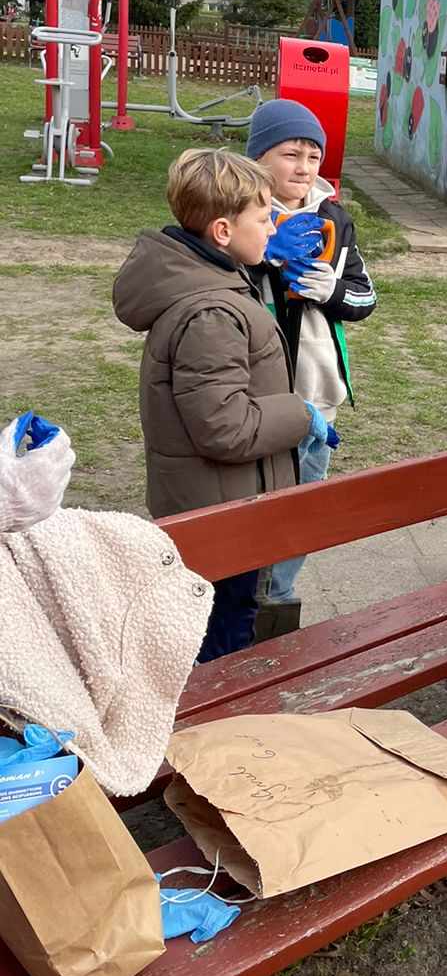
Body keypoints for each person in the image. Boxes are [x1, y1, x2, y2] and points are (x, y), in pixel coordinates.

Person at [113, 148, 331, 662]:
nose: (272, 227)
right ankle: (211, 731)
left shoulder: (216, 282)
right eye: (263, 217)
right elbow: (225, 428)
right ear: (222, 232)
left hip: (223, 505)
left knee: (226, 623)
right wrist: (300, 415)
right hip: (218, 517)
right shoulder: (211, 311)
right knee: (221, 637)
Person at [244, 98, 378, 634]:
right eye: (289, 154)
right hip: (259, 401)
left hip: (317, 394)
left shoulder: (334, 221)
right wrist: (266, 259)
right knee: (253, 509)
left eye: (313, 155)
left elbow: (366, 299)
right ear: (259, 158)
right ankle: (239, 606)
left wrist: (332, 292)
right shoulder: (237, 217)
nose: (303, 167)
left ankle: (279, 607)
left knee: (300, 506)